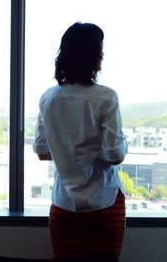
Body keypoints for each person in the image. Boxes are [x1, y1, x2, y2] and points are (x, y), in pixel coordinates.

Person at [33, 22, 127, 260]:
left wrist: (67, 150)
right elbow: (115, 156)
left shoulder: (48, 98)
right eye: (100, 49)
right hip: (104, 204)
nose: (103, 55)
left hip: (64, 205)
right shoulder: (106, 96)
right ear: (94, 56)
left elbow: (43, 153)